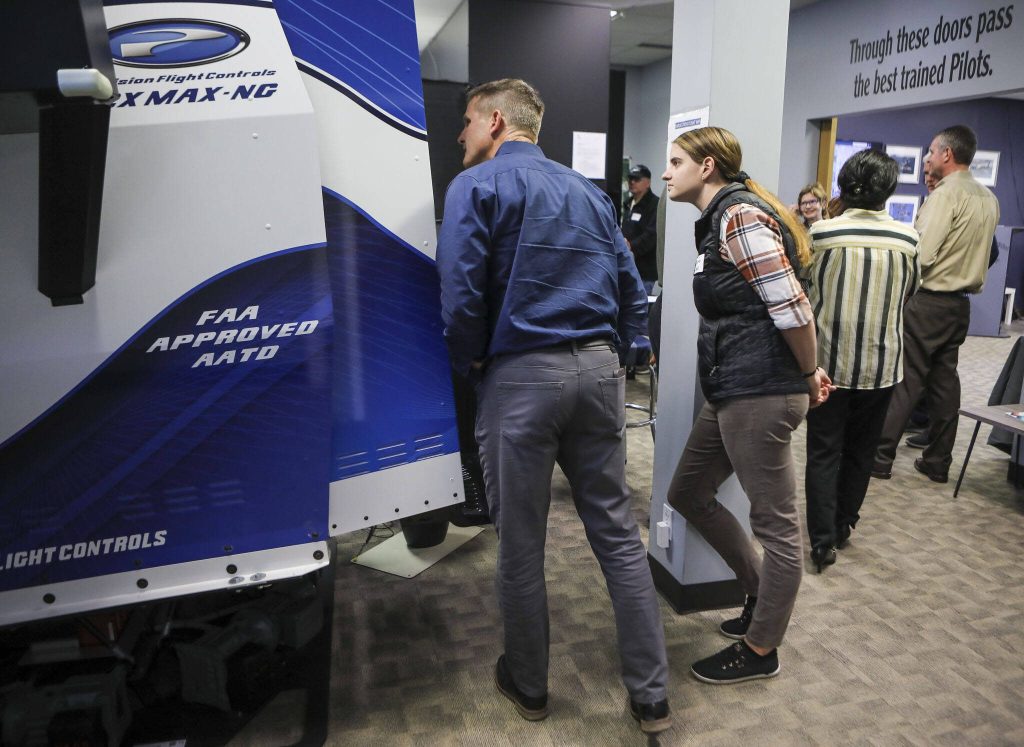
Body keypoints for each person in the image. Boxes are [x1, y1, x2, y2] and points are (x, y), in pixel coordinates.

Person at [435, 78, 671, 734]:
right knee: (620, 537)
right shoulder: (592, 195)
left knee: (522, 543)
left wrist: (471, 363)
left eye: (467, 122)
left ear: (496, 121)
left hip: (521, 378)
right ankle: (651, 695)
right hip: (599, 374)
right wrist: (632, 348)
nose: (461, 135)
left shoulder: (474, 188)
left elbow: (458, 295)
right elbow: (630, 285)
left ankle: (531, 685)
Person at [661, 126, 831, 684]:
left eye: (676, 161)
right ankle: (758, 594)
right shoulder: (722, 222)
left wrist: (806, 373)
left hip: (760, 393)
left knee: (779, 531)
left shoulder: (738, 217)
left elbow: (793, 308)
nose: (666, 172)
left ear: (707, 167)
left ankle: (762, 651)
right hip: (738, 386)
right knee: (687, 490)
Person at [803, 149, 920, 572]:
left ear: (844, 185)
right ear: (888, 189)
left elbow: (804, 293)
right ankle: (843, 525)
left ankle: (820, 542)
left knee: (822, 450)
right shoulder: (908, 239)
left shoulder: (821, 235)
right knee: (861, 450)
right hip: (883, 362)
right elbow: (910, 292)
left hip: (827, 364)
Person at [872, 125, 1000, 483]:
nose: (927, 158)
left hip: (928, 302)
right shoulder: (988, 199)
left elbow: (921, 254)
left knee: (907, 379)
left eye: (930, 151)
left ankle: (880, 458)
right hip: (959, 306)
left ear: (947, 154)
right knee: (945, 383)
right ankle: (938, 460)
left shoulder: (945, 196)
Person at [621, 164, 660, 292]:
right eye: (630, 178)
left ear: (647, 183)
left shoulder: (655, 204)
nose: (632, 182)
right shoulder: (628, 203)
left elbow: (651, 236)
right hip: (627, 265)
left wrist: (629, 246)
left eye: (637, 179)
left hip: (644, 270)